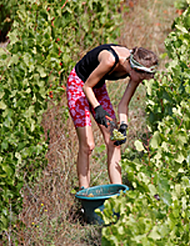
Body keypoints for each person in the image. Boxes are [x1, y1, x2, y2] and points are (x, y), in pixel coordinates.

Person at [67, 44, 158, 189]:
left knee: (114, 142)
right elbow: (86, 87)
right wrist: (98, 108)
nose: (140, 82)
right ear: (135, 68)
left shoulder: (136, 71)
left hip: (97, 86)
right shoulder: (110, 59)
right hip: (79, 84)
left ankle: (118, 192)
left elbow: (123, 104)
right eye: (141, 78)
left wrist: (123, 125)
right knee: (88, 145)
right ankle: (84, 194)